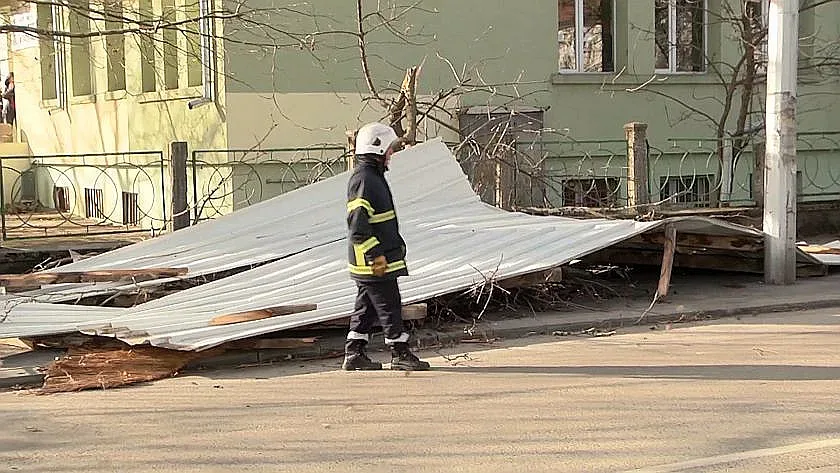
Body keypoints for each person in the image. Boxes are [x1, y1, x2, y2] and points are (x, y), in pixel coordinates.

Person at [342, 122, 430, 371]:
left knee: (366, 306)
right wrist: (376, 256)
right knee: (390, 304)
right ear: (377, 149)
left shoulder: (371, 177)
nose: (392, 153)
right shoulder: (366, 180)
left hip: (373, 260)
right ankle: (399, 353)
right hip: (373, 262)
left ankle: (354, 353)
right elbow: (357, 226)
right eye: (390, 148)